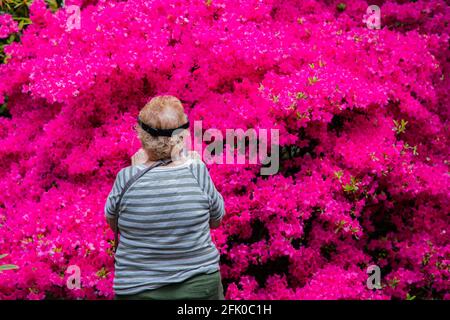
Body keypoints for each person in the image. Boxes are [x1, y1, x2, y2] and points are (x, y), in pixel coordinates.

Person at [104, 95, 225, 300]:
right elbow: (217, 219)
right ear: (182, 136)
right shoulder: (198, 173)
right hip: (199, 287)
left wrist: (137, 172)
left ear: (142, 136)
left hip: (138, 290)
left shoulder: (125, 179)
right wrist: (192, 165)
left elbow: (114, 224)